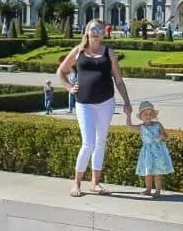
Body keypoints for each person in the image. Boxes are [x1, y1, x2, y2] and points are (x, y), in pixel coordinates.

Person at [56, 18, 133, 197]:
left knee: (101, 142)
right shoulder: (78, 51)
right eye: (93, 29)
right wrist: (68, 87)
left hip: (106, 103)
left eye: (99, 29)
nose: (96, 33)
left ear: (103, 33)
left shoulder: (109, 53)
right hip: (84, 104)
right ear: (87, 32)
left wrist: (127, 102)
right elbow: (61, 71)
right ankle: (76, 184)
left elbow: (119, 80)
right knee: (88, 143)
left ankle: (95, 183)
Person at [126, 100, 173, 197]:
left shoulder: (158, 125)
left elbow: (166, 136)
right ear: (141, 116)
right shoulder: (141, 127)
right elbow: (130, 127)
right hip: (147, 152)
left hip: (158, 152)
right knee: (148, 172)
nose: (148, 116)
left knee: (158, 172)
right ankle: (148, 189)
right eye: (145, 114)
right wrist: (128, 115)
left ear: (153, 115)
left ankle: (158, 190)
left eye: (150, 114)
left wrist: (162, 136)